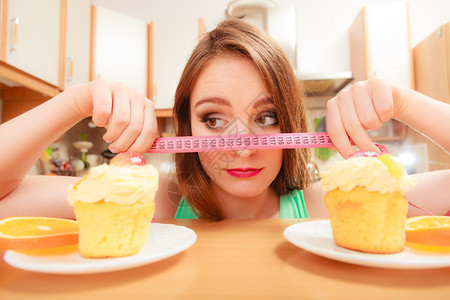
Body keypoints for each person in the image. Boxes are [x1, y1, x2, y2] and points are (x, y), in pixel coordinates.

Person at [0, 18, 448, 220]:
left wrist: (403, 100)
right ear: (184, 128)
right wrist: (75, 100)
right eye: (213, 119)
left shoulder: (329, 206)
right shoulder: (145, 208)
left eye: (267, 116)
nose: (241, 144)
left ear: (292, 126)